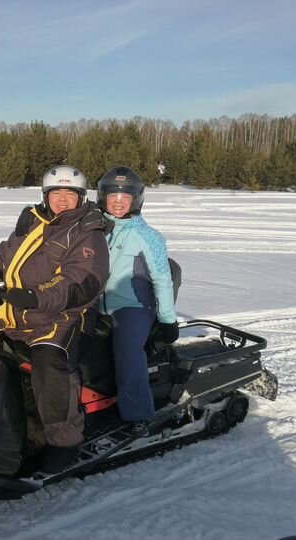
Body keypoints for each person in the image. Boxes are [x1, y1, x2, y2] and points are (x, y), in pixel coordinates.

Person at [0, 165, 111, 473]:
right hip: (16, 314)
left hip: (61, 319)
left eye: (70, 194)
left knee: (49, 364)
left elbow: (81, 281)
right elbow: (4, 257)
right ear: (45, 196)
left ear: (81, 197)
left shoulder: (88, 234)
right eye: (56, 193)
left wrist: (36, 295)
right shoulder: (34, 223)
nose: (62, 200)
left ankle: (63, 442)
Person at [96, 166, 179, 436]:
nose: (118, 201)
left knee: (128, 350)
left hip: (132, 306)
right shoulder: (94, 229)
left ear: (136, 199)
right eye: (112, 196)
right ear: (102, 197)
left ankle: (138, 414)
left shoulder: (149, 237)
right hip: (94, 304)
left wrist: (167, 319)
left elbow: (163, 280)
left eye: (125, 196)